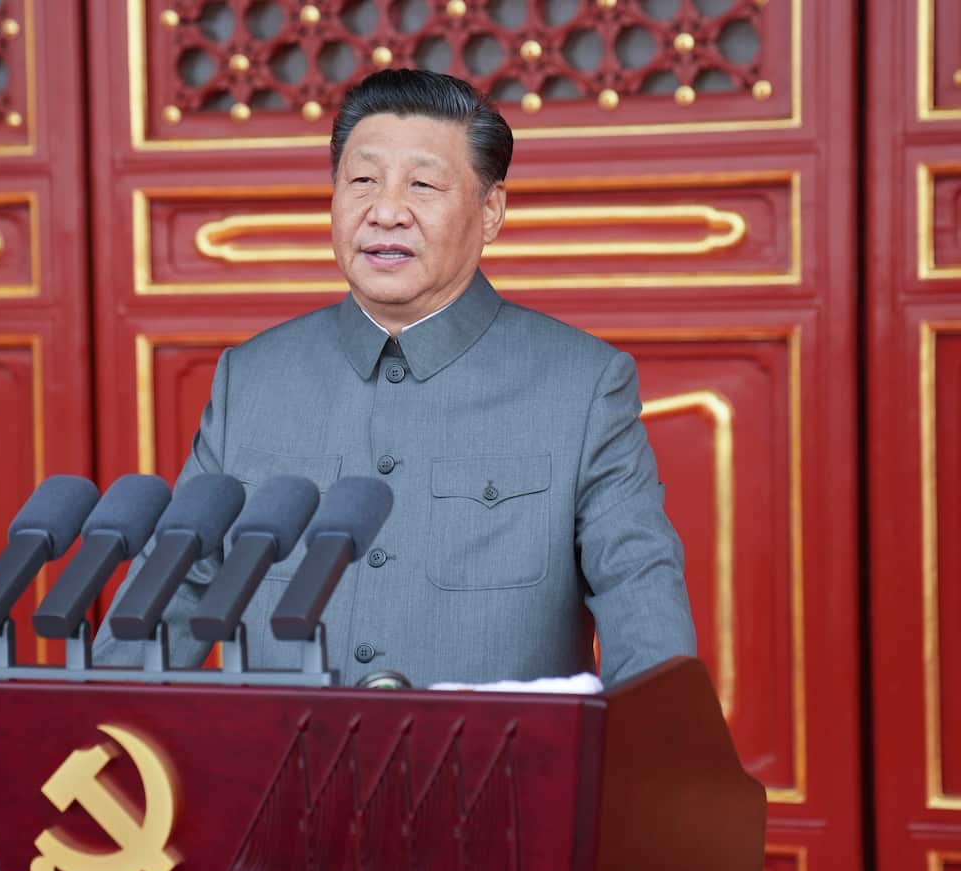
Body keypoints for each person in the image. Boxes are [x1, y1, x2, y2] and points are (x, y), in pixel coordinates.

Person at [93, 69, 696, 688]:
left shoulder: (581, 385)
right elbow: (178, 594)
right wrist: (90, 742)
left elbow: (637, 590)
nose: (386, 212)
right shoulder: (252, 377)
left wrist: (659, 763)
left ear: (490, 211)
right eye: (362, 181)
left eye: (423, 185)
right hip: (281, 777)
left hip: (495, 778)